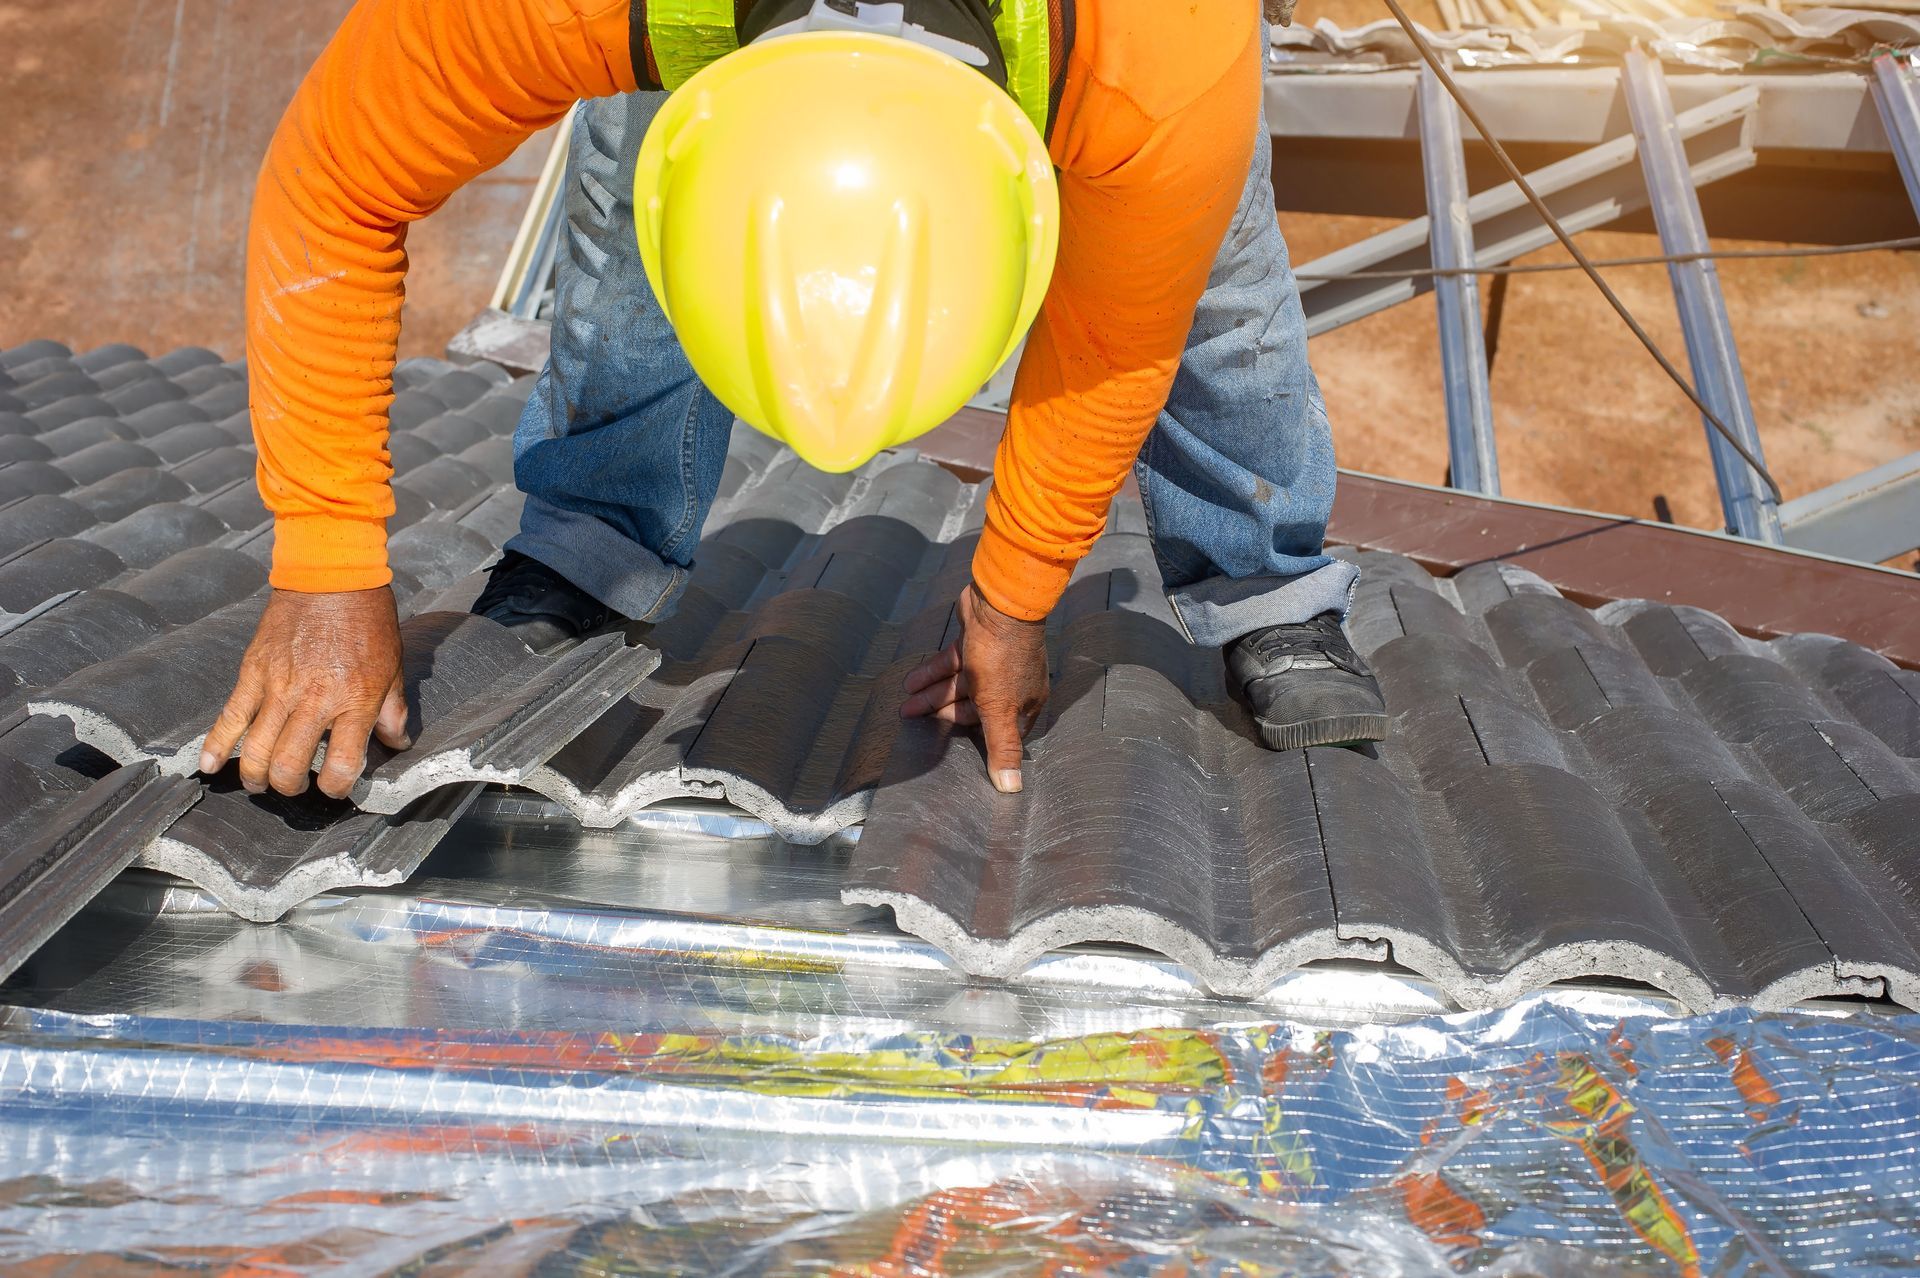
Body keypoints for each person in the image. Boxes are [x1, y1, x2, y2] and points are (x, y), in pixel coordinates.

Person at [201, 0, 1386, 803]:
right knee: (640, 195)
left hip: (1126, 59)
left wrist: (1014, 599)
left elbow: (1112, 342)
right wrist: (325, 566)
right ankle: (595, 545)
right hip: (709, 37)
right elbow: (332, 190)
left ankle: (1258, 582)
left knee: (1205, 259)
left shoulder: (1157, 55)